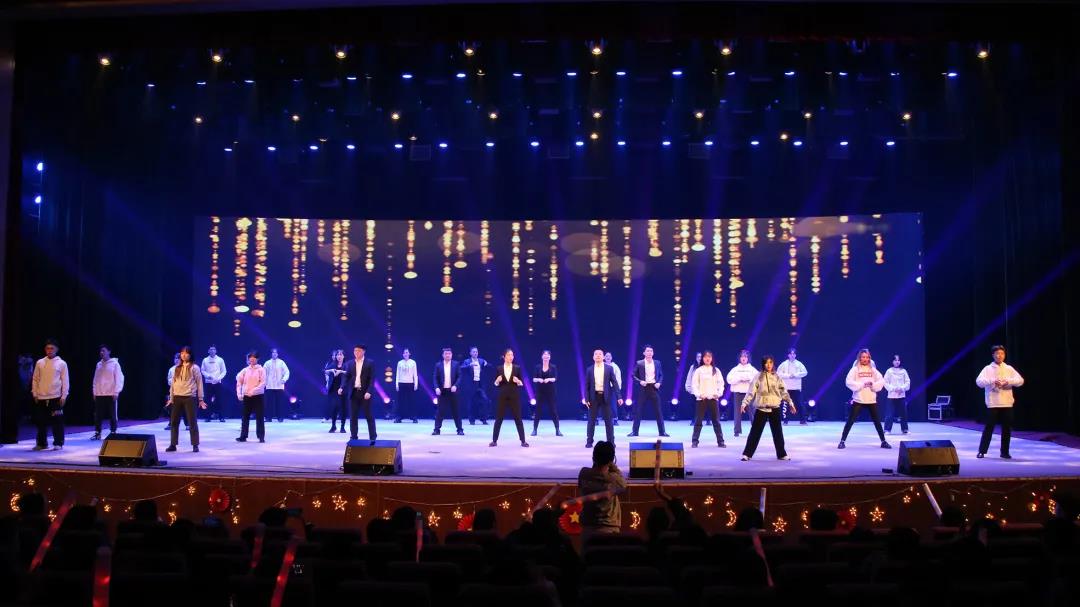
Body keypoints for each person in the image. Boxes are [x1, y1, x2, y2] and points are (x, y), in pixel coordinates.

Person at [740, 355, 796, 461]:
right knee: (755, 432)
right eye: (766, 362)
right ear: (763, 364)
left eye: (770, 362)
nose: (768, 365)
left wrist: (790, 402)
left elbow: (784, 391)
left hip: (775, 407)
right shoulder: (758, 376)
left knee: (778, 432)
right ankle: (747, 454)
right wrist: (744, 403)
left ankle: (781, 454)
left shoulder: (777, 377)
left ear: (773, 364)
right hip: (762, 408)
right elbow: (751, 391)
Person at [975, 345, 1024, 459]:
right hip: (993, 403)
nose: (999, 356)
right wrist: (992, 380)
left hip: (1007, 403)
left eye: (1002, 353)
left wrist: (1008, 382)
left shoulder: (1009, 368)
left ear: (1004, 355)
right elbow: (979, 382)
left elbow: (1020, 380)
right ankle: (982, 451)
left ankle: (1004, 452)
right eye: (997, 353)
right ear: (993, 355)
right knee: (989, 427)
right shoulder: (988, 368)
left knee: (1006, 429)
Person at [838, 348, 890, 450]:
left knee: (877, 421)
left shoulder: (873, 369)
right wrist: (862, 384)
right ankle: (842, 441)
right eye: (863, 357)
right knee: (850, 421)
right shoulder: (855, 369)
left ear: (869, 358)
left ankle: (883, 442)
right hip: (859, 399)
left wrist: (873, 385)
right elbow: (848, 381)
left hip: (871, 399)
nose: (865, 359)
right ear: (860, 358)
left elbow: (881, 380)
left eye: (867, 357)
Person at [577, 441, 627, 543]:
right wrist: (611, 464)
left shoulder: (583, 473)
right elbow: (623, 483)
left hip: (588, 529)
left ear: (593, 457)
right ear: (611, 460)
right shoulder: (615, 479)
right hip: (609, 530)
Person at [30, 339, 69, 451]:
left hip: (55, 397)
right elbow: (35, 379)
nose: (49, 350)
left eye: (52, 348)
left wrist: (64, 395)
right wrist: (35, 393)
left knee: (57, 421)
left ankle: (58, 442)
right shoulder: (40, 362)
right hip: (41, 397)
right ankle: (42, 443)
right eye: (47, 348)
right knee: (40, 421)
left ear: (57, 349)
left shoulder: (62, 363)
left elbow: (65, 380)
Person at [166, 346, 205, 453]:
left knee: (192, 421)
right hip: (177, 396)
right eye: (182, 353)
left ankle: (195, 444)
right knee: (174, 422)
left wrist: (201, 398)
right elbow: (173, 384)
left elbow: (199, 383)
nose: (183, 355)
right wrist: (171, 397)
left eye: (186, 353)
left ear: (190, 355)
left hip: (189, 397)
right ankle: (173, 444)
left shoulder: (195, 368)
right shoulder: (176, 368)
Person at [584, 349, 622, 449]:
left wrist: (619, 396)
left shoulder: (609, 368)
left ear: (603, 357)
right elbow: (587, 386)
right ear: (593, 357)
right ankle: (589, 441)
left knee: (608, 421)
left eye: (600, 354)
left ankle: (611, 442)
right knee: (591, 421)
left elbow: (615, 383)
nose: (598, 355)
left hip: (606, 397)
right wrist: (586, 399)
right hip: (593, 397)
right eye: (596, 354)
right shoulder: (589, 369)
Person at [490, 348, 529, 447]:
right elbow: (495, 383)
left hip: (514, 397)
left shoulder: (517, 368)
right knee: (499, 419)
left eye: (512, 355)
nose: (511, 357)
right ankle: (494, 440)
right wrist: (497, 381)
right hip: (502, 397)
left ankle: (523, 441)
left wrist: (518, 381)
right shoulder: (499, 368)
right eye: (509, 355)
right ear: (504, 357)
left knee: (518, 419)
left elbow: (521, 383)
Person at [628, 345, 668, 437]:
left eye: (651, 351)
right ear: (644, 353)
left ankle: (662, 432)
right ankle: (635, 432)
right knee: (638, 410)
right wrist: (640, 381)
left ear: (653, 353)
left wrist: (659, 382)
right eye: (648, 351)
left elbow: (661, 375)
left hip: (654, 388)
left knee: (658, 411)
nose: (649, 353)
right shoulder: (640, 363)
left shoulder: (657, 363)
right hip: (643, 388)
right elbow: (633, 375)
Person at [690, 350, 726, 448]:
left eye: (709, 356)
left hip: (713, 399)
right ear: (702, 358)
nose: (707, 358)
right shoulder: (698, 370)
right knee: (698, 421)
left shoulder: (716, 370)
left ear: (712, 358)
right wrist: (699, 394)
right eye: (705, 357)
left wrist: (719, 394)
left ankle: (721, 441)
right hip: (701, 399)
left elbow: (721, 383)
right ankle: (694, 441)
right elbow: (694, 385)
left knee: (716, 421)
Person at [341, 344, 376, 441]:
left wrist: (369, 391)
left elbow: (372, 379)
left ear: (363, 351)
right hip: (354, 393)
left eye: (359, 350)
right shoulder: (349, 363)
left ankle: (373, 437)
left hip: (365, 393)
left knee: (369, 416)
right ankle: (353, 437)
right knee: (353, 417)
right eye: (355, 350)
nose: (356, 352)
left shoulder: (370, 363)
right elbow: (346, 377)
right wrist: (342, 387)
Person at [91, 344, 124, 440]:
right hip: (100, 393)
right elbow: (96, 379)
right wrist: (94, 392)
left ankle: (113, 432)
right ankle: (98, 433)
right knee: (98, 415)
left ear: (109, 352)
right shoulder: (99, 364)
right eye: (100, 351)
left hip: (111, 393)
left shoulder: (115, 364)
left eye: (104, 351)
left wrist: (116, 392)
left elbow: (119, 378)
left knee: (112, 414)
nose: (101, 352)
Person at [235, 351, 267, 443]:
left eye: (254, 357)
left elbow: (263, 383)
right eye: (250, 357)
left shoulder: (261, 370)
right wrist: (239, 393)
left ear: (257, 359)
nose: (252, 359)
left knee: (259, 417)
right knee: (245, 417)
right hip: (247, 396)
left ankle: (261, 436)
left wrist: (253, 391)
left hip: (258, 396)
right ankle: (243, 436)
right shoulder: (245, 370)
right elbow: (239, 382)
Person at [726, 350, 758, 437]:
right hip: (738, 393)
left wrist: (748, 378)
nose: (744, 358)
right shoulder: (735, 369)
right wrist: (739, 379)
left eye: (745, 356)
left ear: (748, 358)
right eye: (742, 356)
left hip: (749, 393)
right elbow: (729, 379)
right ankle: (737, 431)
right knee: (737, 412)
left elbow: (758, 379)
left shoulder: (752, 369)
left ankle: (755, 430)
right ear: (739, 358)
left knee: (752, 411)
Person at [433, 347, 463, 436]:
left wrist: (455, 386)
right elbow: (435, 378)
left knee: (456, 411)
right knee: (440, 411)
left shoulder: (456, 364)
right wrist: (436, 388)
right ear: (443, 355)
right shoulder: (438, 365)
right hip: (442, 391)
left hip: (453, 391)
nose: (447, 355)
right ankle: (436, 430)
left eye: (449, 354)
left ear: (451, 355)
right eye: (446, 354)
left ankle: (460, 429)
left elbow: (460, 376)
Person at [532, 350, 562, 437]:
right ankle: (534, 429)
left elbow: (555, 378)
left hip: (550, 391)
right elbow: (534, 379)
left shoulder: (553, 367)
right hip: (540, 391)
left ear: (550, 357)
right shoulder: (537, 367)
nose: (546, 356)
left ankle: (557, 430)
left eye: (548, 355)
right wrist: (539, 379)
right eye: (544, 355)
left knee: (553, 410)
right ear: (542, 357)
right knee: (538, 411)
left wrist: (549, 379)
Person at [776, 348, 808, 425]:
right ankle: (785, 420)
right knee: (786, 405)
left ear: (795, 355)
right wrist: (788, 375)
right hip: (786, 388)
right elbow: (778, 373)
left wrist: (796, 375)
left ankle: (803, 420)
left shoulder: (799, 364)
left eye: (794, 354)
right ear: (788, 355)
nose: (792, 355)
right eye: (791, 354)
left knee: (799, 404)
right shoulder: (784, 364)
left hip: (796, 388)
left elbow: (805, 372)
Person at [461, 347, 491, 425]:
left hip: (479, 384)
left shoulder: (481, 360)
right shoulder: (467, 361)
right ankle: (472, 420)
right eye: (473, 352)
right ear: (470, 353)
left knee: (485, 400)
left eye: (476, 352)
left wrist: (486, 364)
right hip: (471, 384)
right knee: (471, 402)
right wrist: (469, 365)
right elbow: (461, 368)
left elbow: (489, 366)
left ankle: (483, 419)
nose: (475, 353)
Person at [883, 354, 912, 435]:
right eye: (895, 360)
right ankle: (887, 430)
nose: (897, 362)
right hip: (891, 396)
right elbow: (885, 382)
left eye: (898, 360)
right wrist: (893, 389)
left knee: (903, 414)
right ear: (892, 361)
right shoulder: (889, 371)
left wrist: (901, 388)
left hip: (901, 395)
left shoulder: (903, 371)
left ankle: (905, 429)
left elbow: (907, 382)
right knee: (889, 414)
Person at [200, 345, 227, 423]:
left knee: (219, 400)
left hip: (218, 382)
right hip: (208, 383)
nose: (212, 351)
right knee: (208, 400)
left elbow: (224, 371)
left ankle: (221, 417)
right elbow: (202, 370)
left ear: (216, 351)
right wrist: (208, 376)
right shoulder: (205, 360)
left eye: (214, 349)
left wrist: (218, 378)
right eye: (211, 349)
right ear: (208, 351)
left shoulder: (220, 359)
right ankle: (208, 417)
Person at [263, 348, 290, 422]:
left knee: (280, 403)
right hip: (269, 385)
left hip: (279, 385)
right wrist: (264, 383)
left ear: (277, 354)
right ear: (271, 354)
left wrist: (284, 379)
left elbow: (287, 372)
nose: (274, 354)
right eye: (273, 352)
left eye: (276, 353)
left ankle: (280, 417)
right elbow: (263, 373)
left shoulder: (281, 362)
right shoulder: (267, 363)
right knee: (269, 403)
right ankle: (268, 418)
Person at [324, 349, 347, 433]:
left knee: (343, 408)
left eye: (341, 354)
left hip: (343, 388)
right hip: (333, 389)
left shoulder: (346, 365)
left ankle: (342, 427)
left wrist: (341, 371)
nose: (339, 356)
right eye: (338, 355)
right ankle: (333, 426)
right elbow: (325, 371)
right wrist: (331, 370)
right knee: (334, 406)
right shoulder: (333, 364)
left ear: (344, 356)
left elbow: (350, 374)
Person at [164, 353, 188, 431]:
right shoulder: (171, 369)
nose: (176, 360)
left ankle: (188, 424)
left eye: (178, 358)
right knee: (172, 409)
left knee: (185, 409)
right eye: (175, 358)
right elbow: (169, 380)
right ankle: (171, 424)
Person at [395, 348, 419, 423]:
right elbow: (397, 374)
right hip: (401, 383)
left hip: (410, 383)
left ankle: (413, 417)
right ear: (403, 354)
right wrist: (396, 384)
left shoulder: (413, 362)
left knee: (411, 401)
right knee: (401, 401)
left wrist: (416, 383)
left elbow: (415, 374)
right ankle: (399, 417)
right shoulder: (399, 363)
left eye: (407, 352)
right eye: (404, 353)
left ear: (409, 354)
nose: (406, 354)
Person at [682, 351, 703, 422]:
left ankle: (708, 419)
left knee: (706, 405)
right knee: (694, 405)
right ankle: (694, 419)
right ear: (696, 358)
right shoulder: (693, 367)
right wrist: (688, 387)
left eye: (701, 357)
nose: (699, 358)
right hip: (695, 389)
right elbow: (689, 377)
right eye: (698, 357)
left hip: (704, 389)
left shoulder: (706, 367)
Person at [604, 352, 623, 423]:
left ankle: (615, 419)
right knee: (599, 403)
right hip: (602, 387)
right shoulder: (601, 366)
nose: (608, 357)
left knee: (612, 403)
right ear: (604, 357)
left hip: (612, 387)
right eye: (606, 356)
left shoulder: (615, 366)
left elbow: (618, 378)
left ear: (611, 358)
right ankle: (596, 419)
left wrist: (618, 388)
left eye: (609, 356)